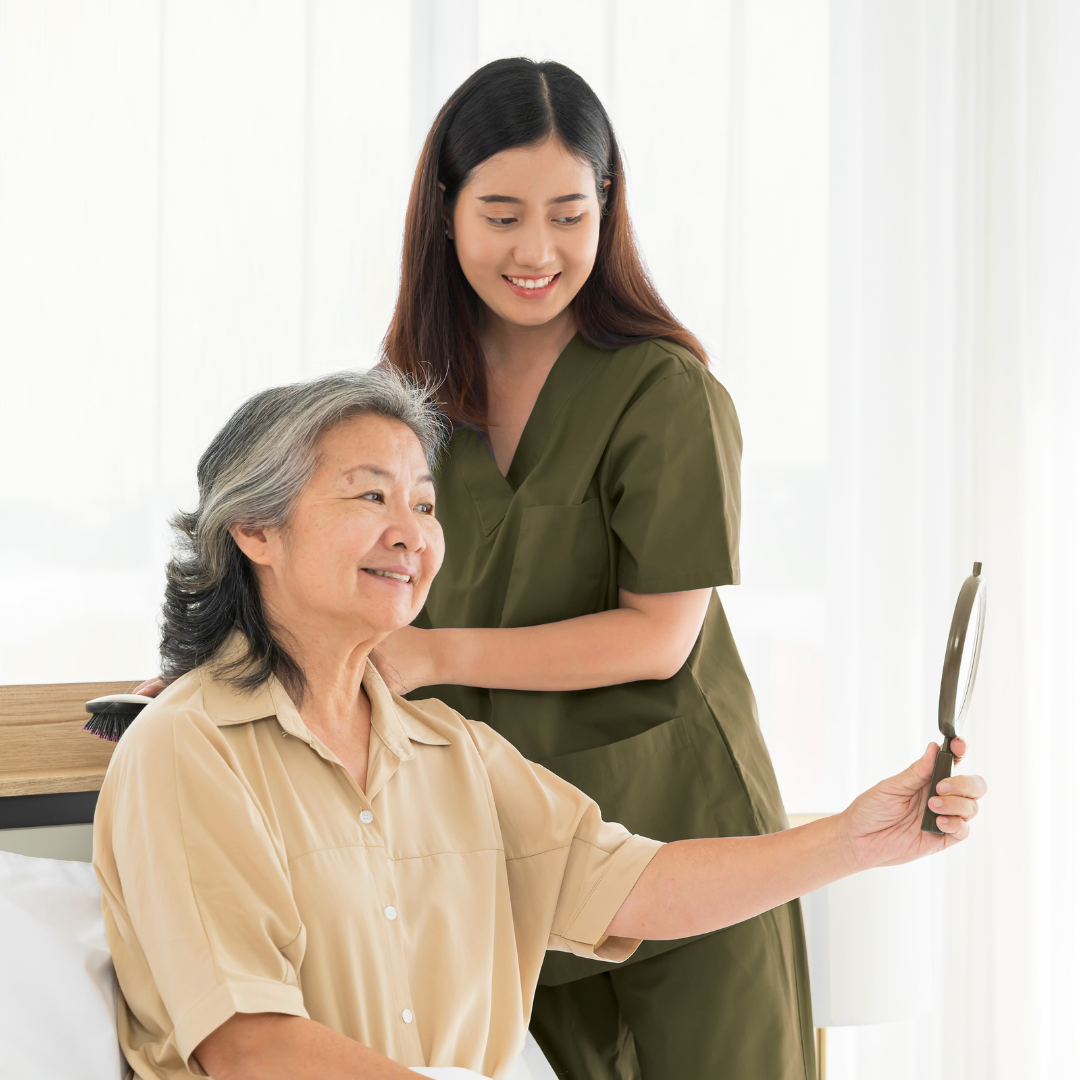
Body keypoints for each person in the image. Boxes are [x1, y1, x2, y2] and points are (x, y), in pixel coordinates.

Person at [98, 369, 985, 1080]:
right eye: (371, 498)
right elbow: (251, 1049)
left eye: (425, 503)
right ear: (255, 529)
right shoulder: (187, 747)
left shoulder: (455, 755)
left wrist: (853, 842)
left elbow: (639, 885)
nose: (411, 533)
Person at [373, 57, 811, 1078]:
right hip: (523, 855)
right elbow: (345, 575)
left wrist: (431, 653)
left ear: (608, 212)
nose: (538, 250)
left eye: (571, 214)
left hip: (687, 837)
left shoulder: (664, 391)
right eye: (503, 214)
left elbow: (659, 638)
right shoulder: (405, 401)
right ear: (445, 214)